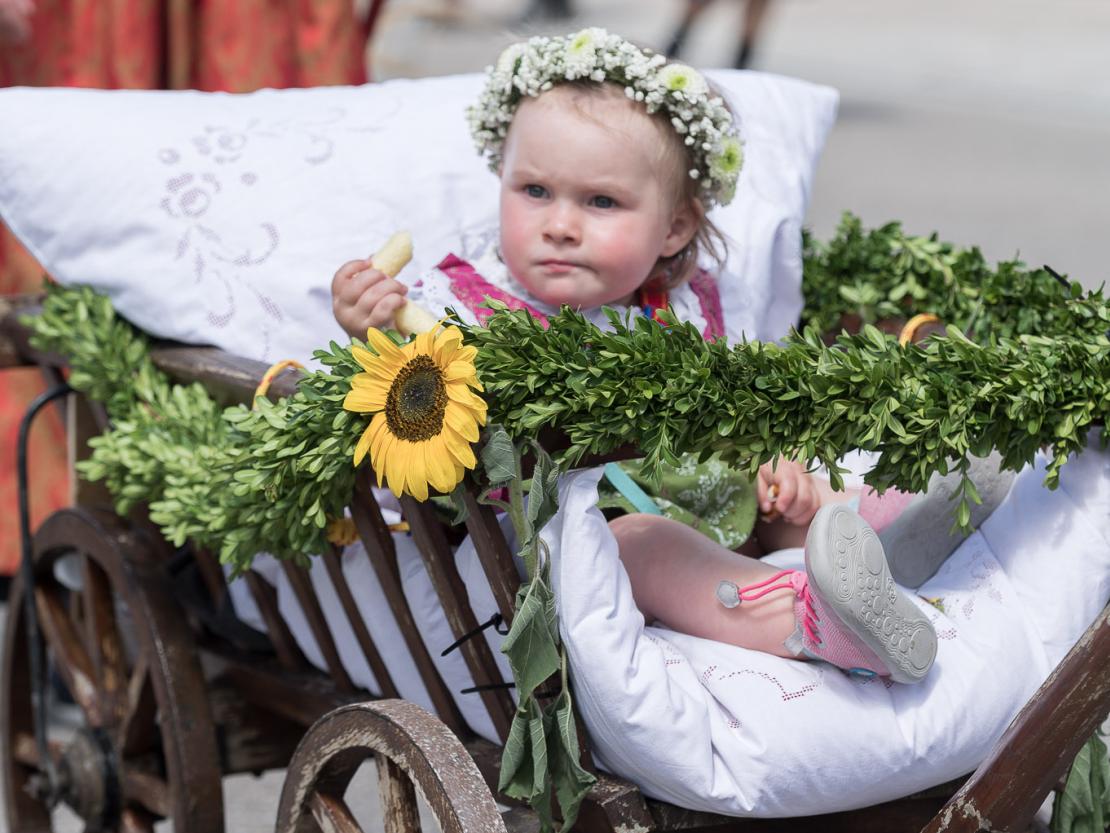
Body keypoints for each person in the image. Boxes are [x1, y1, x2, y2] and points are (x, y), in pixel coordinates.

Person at [331, 29, 937, 685]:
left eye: (601, 202)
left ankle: (901, 527)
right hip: (573, 541)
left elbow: (730, 403)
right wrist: (366, 322)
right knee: (643, 544)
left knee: (804, 499)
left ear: (674, 227)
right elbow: (410, 394)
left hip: (712, 500)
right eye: (534, 190)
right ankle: (813, 620)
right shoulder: (459, 302)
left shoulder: (682, 303)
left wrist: (772, 462)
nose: (560, 223)